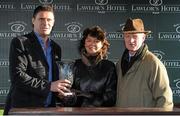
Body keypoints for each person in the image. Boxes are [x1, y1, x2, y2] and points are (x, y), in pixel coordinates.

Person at [4, 5, 71, 114]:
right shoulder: (20, 42)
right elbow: (17, 77)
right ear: (33, 21)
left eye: (49, 19)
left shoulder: (56, 48)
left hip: (49, 109)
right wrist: (49, 86)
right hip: (24, 110)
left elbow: (53, 79)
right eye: (41, 19)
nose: (45, 23)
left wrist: (59, 91)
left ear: (53, 23)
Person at [116, 18, 173, 108]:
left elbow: (165, 100)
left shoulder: (153, 63)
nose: (131, 40)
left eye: (135, 36)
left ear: (143, 37)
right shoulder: (119, 63)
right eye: (127, 36)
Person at [63, 26, 117, 107]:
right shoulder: (75, 65)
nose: (92, 44)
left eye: (96, 41)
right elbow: (69, 99)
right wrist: (68, 97)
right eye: (89, 40)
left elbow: (111, 98)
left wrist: (87, 95)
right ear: (84, 43)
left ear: (102, 44)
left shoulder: (109, 67)